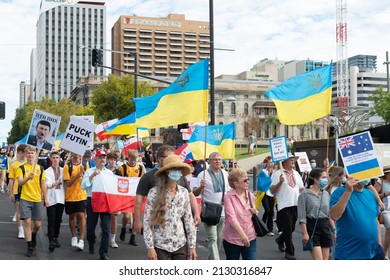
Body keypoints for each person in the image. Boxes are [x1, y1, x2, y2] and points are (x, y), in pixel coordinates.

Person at [133, 145, 201, 236]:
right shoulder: (148, 177)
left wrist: (196, 213)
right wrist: (137, 220)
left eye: (173, 157)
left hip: (178, 226)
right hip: (157, 225)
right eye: (168, 157)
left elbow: (190, 195)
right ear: (159, 158)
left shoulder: (180, 176)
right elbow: (138, 199)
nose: (171, 160)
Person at [143, 155, 197, 260]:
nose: (176, 172)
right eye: (173, 169)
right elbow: (147, 221)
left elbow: (188, 220)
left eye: (178, 170)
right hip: (160, 245)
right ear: (166, 172)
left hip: (180, 244)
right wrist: (150, 247)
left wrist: (192, 246)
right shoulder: (154, 192)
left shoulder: (184, 192)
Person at [330, 176, 384, 260]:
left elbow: (375, 220)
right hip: (349, 254)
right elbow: (334, 216)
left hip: (373, 252)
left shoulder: (370, 194)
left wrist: (379, 244)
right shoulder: (339, 192)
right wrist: (348, 191)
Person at [193, 152, 231, 260]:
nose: (218, 161)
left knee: (219, 239)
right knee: (212, 239)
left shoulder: (225, 173)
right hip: (209, 210)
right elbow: (194, 193)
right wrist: (200, 187)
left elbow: (229, 191)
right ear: (209, 162)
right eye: (215, 159)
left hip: (222, 210)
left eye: (219, 159)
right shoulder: (203, 174)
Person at [270, 153, 304, 260]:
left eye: (294, 160)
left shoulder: (297, 174)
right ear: (284, 162)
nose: (293, 161)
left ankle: (280, 240)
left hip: (295, 204)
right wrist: (280, 182)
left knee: (292, 228)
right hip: (284, 205)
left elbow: (300, 188)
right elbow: (272, 190)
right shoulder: (277, 174)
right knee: (288, 228)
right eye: (291, 160)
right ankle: (290, 251)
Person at [16, 146, 48, 257]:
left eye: (32, 153)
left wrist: (46, 198)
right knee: (28, 222)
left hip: (37, 199)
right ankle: (29, 246)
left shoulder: (40, 168)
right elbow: (20, 183)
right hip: (25, 198)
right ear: (25, 155)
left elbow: (43, 183)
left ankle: (34, 234)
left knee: (38, 224)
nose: (30, 155)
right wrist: (27, 178)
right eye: (28, 153)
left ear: (35, 155)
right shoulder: (21, 168)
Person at [81, 149, 113, 260]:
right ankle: (91, 242)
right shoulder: (89, 171)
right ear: (95, 159)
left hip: (105, 202)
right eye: (100, 157)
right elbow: (83, 186)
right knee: (90, 228)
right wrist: (93, 175)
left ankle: (103, 253)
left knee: (105, 228)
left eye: (104, 157)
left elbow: (112, 189)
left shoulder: (109, 173)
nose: (102, 159)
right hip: (92, 201)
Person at [297, 168, 334, 260]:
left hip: (325, 227)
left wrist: (334, 230)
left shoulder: (326, 194)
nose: (326, 179)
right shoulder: (304, 194)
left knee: (326, 260)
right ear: (316, 179)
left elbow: (329, 214)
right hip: (312, 227)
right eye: (324, 177)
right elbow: (302, 216)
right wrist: (305, 233)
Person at [223, 168, 257, 260]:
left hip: (250, 237)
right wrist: (242, 235)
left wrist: (255, 211)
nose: (248, 182)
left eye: (248, 179)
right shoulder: (228, 197)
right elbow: (231, 218)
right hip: (232, 239)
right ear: (236, 183)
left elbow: (253, 214)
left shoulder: (251, 196)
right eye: (245, 180)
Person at [118, 150, 145, 246]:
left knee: (135, 216)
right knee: (126, 216)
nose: (133, 161)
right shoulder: (123, 168)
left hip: (136, 194)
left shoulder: (140, 168)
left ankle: (132, 237)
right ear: (127, 158)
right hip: (126, 195)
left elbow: (142, 181)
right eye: (131, 159)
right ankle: (123, 228)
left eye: (134, 159)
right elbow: (118, 179)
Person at [63, 152, 87, 251]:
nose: (77, 155)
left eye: (78, 153)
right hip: (70, 196)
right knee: (72, 216)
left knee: (81, 216)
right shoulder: (67, 166)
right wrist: (78, 175)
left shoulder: (85, 165)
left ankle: (81, 240)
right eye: (75, 153)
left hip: (82, 195)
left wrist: (84, 173)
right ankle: (74, 236)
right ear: (72, 153)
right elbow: (68, 183)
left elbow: (89, 180)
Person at [45, 151, 65, 252]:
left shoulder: (63, 170)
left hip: (61, 198)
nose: (56, 159)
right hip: (51, 198)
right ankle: (51, 240)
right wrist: (53, 183)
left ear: (60, 158)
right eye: (54, 158)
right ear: (51, 159)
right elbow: (45, 183)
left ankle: (55, 237)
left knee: (58, 220)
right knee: (51, 220)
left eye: (57, 158)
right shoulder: (47, 171)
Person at [8, 144, 28, 238]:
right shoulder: (14, 164)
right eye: (23, 152)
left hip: (28, 190)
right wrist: (11, 192)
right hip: (17, 190)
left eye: (26, 152)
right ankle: (20, 230)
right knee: (19, 209)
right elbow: (11, 179)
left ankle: (26, 228)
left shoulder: (30, 163)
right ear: (19, 153)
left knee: (27, 211)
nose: (25, 154)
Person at [105, 152, 122, 248]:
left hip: (115, 197)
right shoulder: (103, 171)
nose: (113, 161)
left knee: (114, 217)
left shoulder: (118, 172)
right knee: (105, 217)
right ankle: (104, 232)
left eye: (114, 160)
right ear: (108, 160)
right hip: (106, 197)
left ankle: (112, 239)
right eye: (111, 159)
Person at [374, 165, 390, 259]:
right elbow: (373, 195)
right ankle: (385, 254)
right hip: (385, 210)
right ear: (387, 174)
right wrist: (386, 194)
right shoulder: (381, 182)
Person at [259, 157, 275, 235]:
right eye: (270, 162)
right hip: (264, 194)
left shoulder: (275, 172)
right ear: (266, 163)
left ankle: (270, 229)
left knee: (271, 211)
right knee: (267, 210)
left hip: (272, 194)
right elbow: (260, 184)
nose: (271, 164)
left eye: (272, 162)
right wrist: (270, 180)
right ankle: (262, 224)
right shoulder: (263, 172)